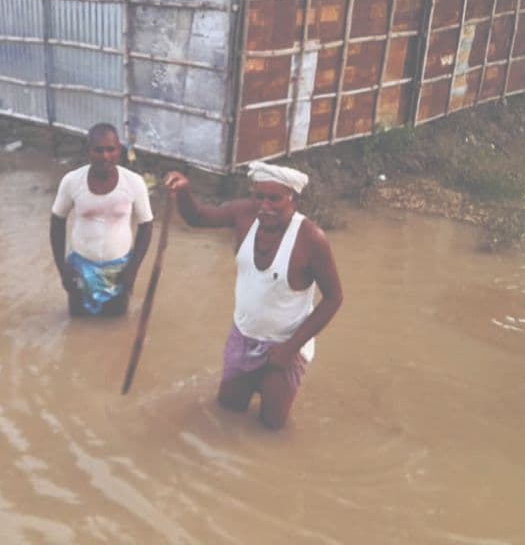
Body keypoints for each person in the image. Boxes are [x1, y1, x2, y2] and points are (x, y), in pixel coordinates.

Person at [162, 162, 343, 429]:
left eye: (274, 199)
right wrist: (185, 193)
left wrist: (289, 350)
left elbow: (334, 298)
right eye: (259, 197)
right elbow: (198, 218)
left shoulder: (310, 238)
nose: (265, 206)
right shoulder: (244, 214)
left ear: (292, 198)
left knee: (271, 427)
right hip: (243, 336)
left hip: (284, 345)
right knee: (226, 412)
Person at [50, 123, 154, 317]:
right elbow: (57, 222)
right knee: (77, 325)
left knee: (115, 327)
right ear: (88, 151)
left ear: (119, 151)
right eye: (98, 150)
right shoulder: (72, 181)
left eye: (110, 149)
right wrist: (62, 269)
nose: (105, 156)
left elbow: (146, 226)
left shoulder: (134, 183)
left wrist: (132, 269)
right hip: (79, 271)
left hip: (119, 272)